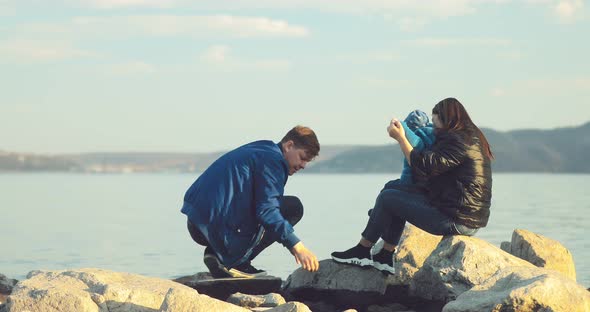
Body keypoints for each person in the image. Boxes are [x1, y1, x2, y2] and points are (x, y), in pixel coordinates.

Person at [331, 97, 493, 275]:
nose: (433, 127)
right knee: (393, 189)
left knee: (388, 199)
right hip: (457, 210)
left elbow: (424, 167)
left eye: (434, 121)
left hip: (457, 220)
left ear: (445, 118)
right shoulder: (468, 137)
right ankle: (385, 255)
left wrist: (401, 138)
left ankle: (362, 251)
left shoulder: (458, 141)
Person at [181, 126, 321, 278]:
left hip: (196, 221)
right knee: (293, 208)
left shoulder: (263, 148)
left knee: (273, 206)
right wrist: (297, 247)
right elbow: (267, 211)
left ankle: (217, 254)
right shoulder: (273, 161)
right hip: (215, 225)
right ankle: (236, 262)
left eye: (307, 161)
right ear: (289, 146)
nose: (303, 165)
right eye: (302, 157)